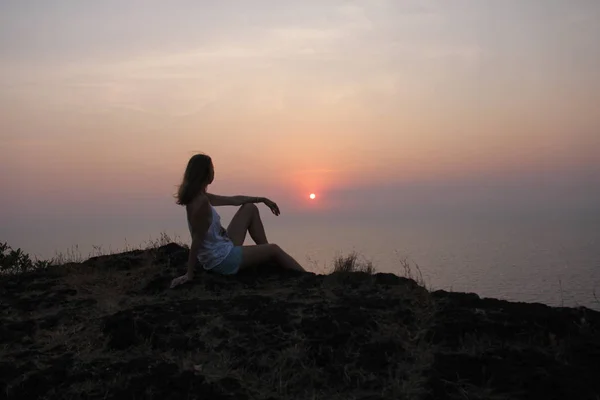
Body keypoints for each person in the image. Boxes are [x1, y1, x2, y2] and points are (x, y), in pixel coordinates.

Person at [170, 153, 306, 288]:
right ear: (204, 173)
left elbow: (233, 200)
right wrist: (189, 274)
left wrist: (262, 199)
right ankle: (305, 276)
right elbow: (197, 240)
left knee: (249, 208)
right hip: (222, 260)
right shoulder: (201, 203)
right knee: (274, 249)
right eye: (212, 169)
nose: (214, 172)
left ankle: (266, 255)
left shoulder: (200, 196)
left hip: (221, 248)